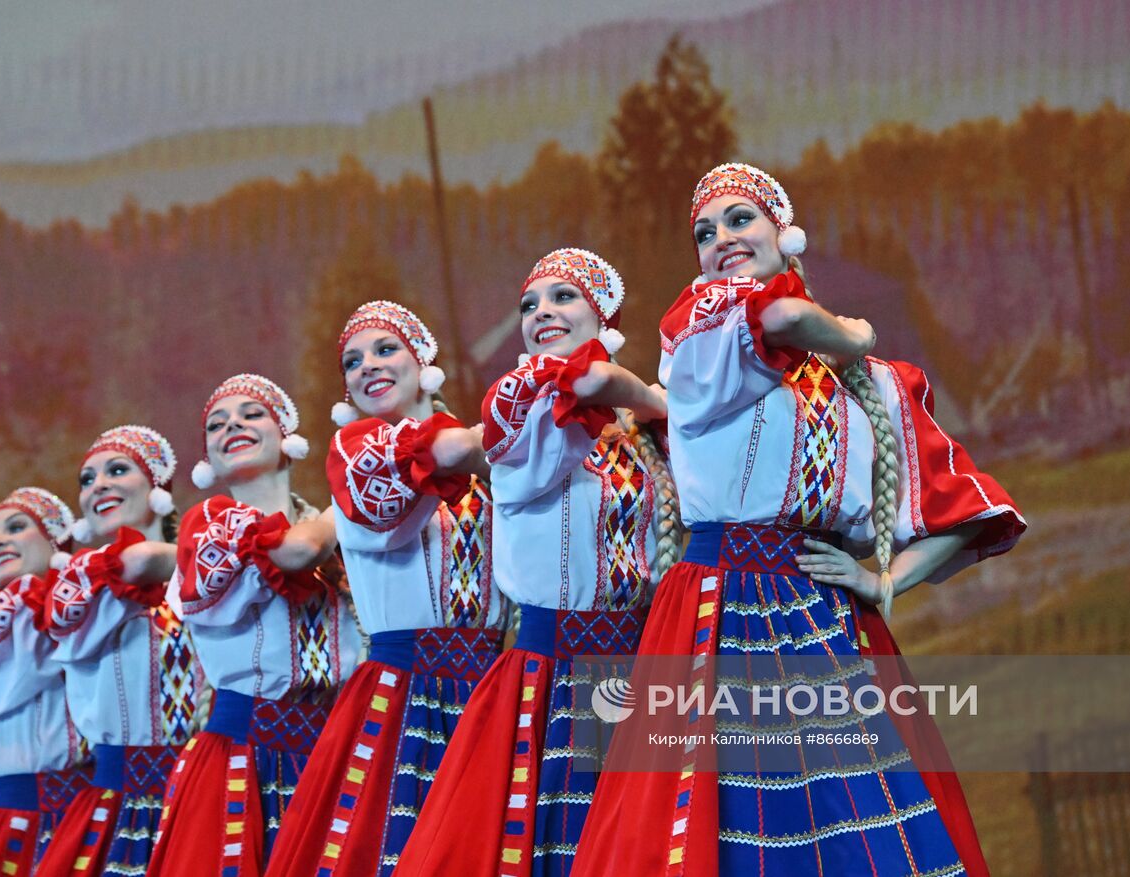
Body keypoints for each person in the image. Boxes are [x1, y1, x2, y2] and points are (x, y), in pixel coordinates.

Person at [572, 162, 1028, 876]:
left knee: (856, 830)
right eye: (704, 231)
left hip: (824, 622)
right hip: (716, 614)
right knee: (709, 828)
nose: (721, 237)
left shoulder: (872, 388)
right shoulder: (705, 329)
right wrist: (857, 332)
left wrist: (882, 583)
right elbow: (781, 316)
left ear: (787, 234)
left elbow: (965, 509)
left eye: (740, 219)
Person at [392, 248, 681, 877]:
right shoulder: (521, 413)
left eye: (563, 297)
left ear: (603, 314)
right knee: (559, 845)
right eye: (529, 305)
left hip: (636, 669)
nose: (541, 311)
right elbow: (589, 386)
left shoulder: (639, 432)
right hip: (551, 676)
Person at [268, 301, 507, 876]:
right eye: (352, 361)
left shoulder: (480, 470)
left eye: (384, 349)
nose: (367, 366)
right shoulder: (357, 459)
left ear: (422, 358)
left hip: (490, 684)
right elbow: (444, 453)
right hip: (407, 695)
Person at [147, 373, 362, 876]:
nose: (232, 426)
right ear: (208, 460)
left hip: (328, 753)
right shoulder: (209, 526)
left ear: (286, 433)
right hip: (246, 756)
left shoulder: (335, 538)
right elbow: (296, 551)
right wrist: (341, 514)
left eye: (250, 414)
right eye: (216, 425)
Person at [36, 425, 207, 877]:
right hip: (124, 801)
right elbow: (139, 562)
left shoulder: (204, 575)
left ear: (157, 489)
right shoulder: (82, 581)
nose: (99, 486)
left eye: (117, 470)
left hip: (202, 787)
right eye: (87, 480)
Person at [0, 487, 95, 877]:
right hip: (19, 824)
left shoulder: (99, 601)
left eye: (16, 527)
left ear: (55, 540)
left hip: (92, 815)